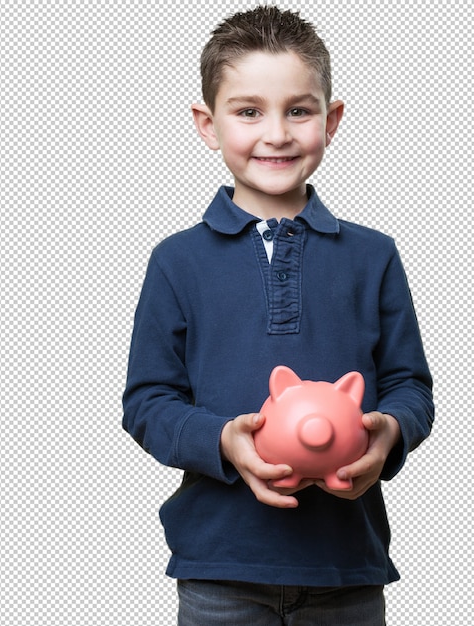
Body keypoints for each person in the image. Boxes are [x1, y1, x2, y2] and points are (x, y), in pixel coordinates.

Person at [122, 5, 434, 625]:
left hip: (345, 566)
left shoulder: (374, 255)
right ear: (207, 124)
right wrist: (223, 441)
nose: (277, 133)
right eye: (247, 111)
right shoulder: (176, 261)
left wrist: (386, 434)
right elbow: (147, 402)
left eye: (299, 109)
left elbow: (411, 388)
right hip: (220, 565)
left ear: (331, 119)